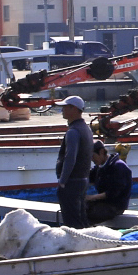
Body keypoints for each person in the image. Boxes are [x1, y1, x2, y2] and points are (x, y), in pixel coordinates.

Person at [54, 95, 94, 229]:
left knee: (72, 222)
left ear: (74, 109)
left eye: (65, 107)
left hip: (72, 182)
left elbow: (70, 157)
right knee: (81, 218)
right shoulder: (86, 129)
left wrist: (63, 181)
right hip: (82, 180)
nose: (62, 110)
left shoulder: (73, 131)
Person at [86, 140, 132, 224]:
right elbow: (88, 177)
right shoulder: (100, 167)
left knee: (86, 214)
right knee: (78, 207)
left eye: (92, 156)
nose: (91, 159)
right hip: (103, 203)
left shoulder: (118, 166)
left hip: (115, 206)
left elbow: (114, 192)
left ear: (101, 152)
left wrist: (92, 197)